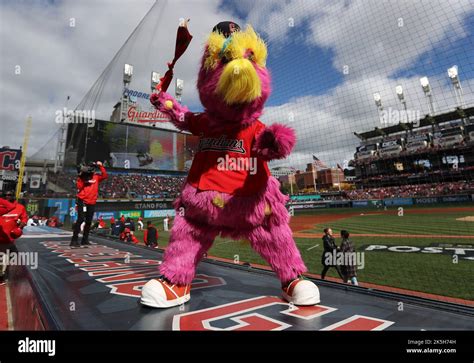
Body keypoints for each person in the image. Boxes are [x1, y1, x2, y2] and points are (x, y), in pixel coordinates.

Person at [70, 161, 107, 248]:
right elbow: (79, 187)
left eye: (93, 169)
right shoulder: (82, 177)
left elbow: (105, 175)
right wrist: (83, 177)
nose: (91, 170)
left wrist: (100, 166)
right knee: (80, 219)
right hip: (82, 200)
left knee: (89, 221)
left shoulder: (96, 177)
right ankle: (74, 240)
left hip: (92, 202)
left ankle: (84, 240)